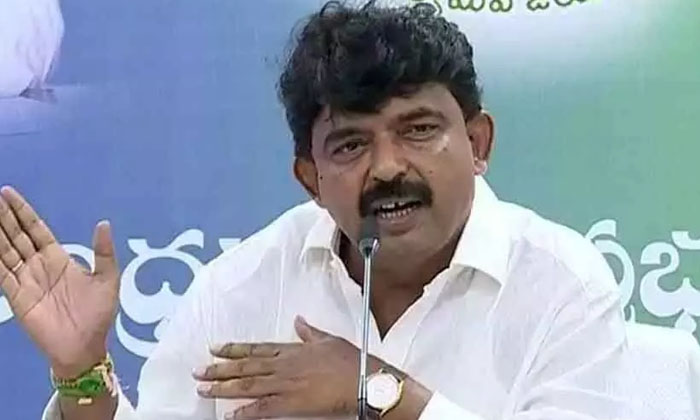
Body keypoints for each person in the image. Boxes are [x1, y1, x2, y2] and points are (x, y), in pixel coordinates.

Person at [0, 2, 634, 419]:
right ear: (310, 178)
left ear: (477, 144)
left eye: (418, 130)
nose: (387, 168)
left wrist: (376, 391)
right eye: (351, 144)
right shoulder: (240, 288)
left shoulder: (561, 283)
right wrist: (81, 372)